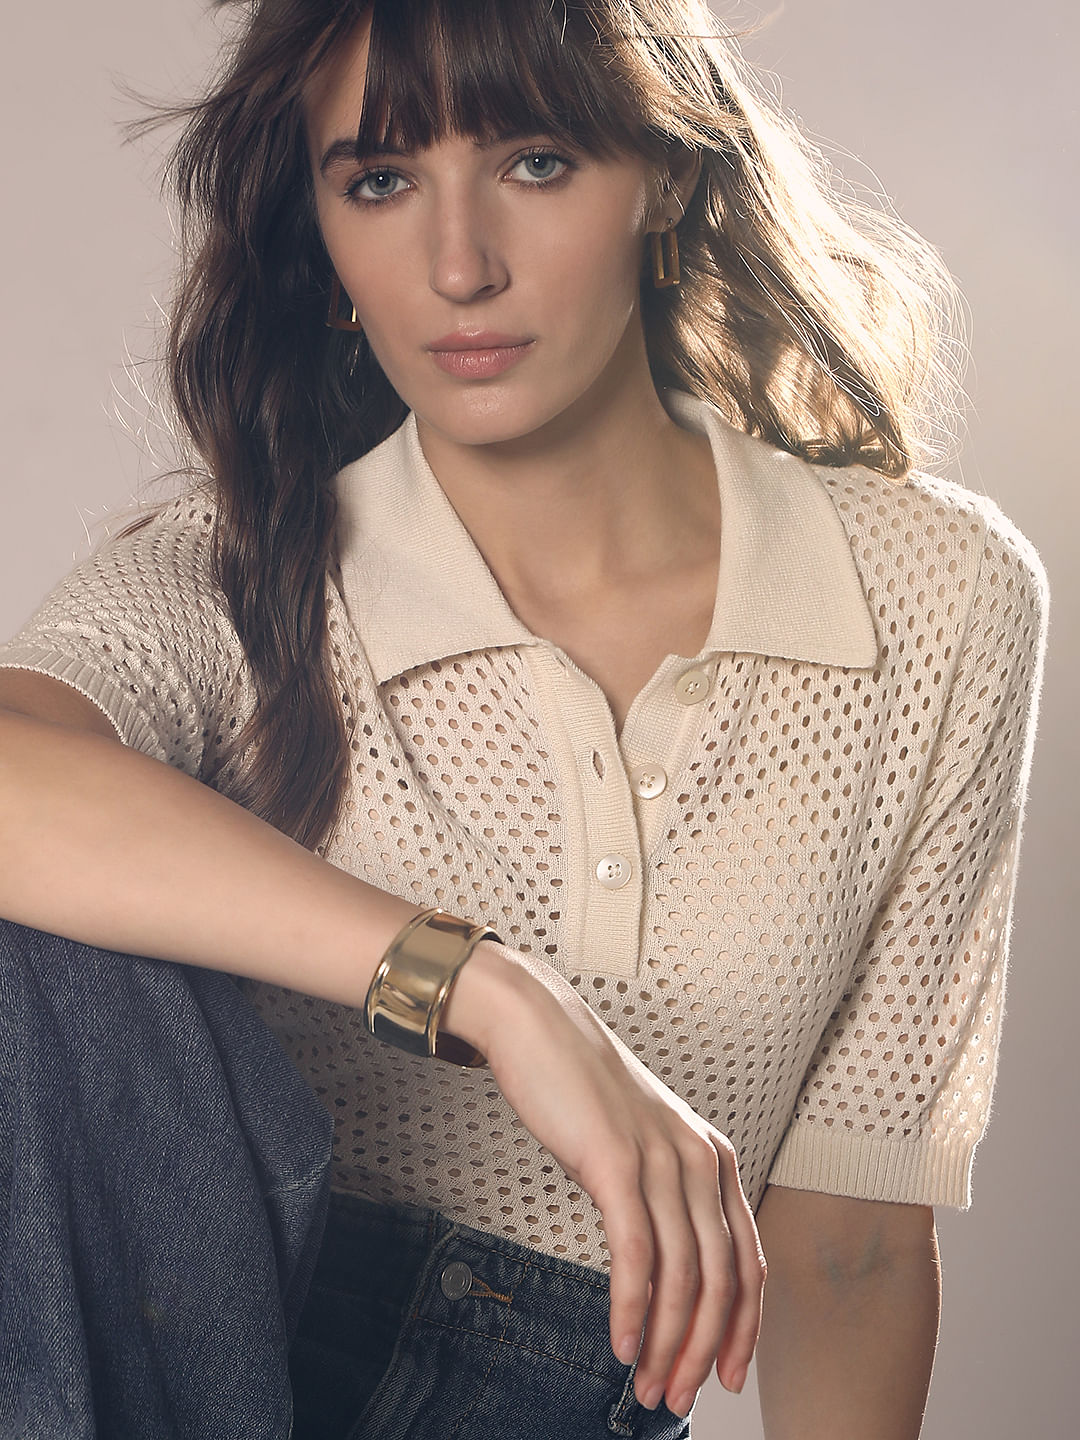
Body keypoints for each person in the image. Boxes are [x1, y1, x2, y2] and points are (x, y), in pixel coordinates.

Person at [0, 0, 1048, 1436]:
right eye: (380, 181)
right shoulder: (237, 581)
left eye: (536, 162)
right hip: (180, 1377)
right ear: (322, 235)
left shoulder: (935, 597)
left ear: (667, 177)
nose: (458, 266)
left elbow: (851, 1243)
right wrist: (494, 995)